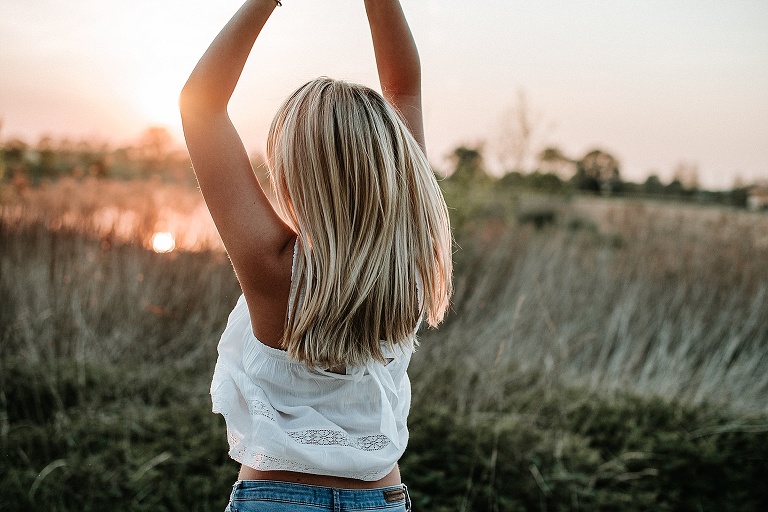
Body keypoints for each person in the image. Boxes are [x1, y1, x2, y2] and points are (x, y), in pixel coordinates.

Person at [179, 1, 452, 510]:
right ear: (395, 164)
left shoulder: (276, 265)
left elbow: (201, 104)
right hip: (381, 499)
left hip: (277, 498)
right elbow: (405, 88)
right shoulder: (409, 261)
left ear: (300, 175)